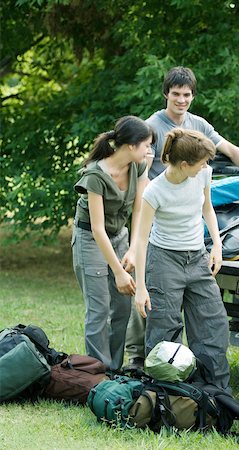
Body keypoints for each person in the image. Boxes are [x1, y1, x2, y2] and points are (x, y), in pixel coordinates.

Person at [126, 66, 239, 368]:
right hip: (157, 219)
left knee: (201, 308)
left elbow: (229, 150)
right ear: (166, 94)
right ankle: (139, 359)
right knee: (155, 304)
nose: (181, 99)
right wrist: (134, 245)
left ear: (192, 96)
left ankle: (201, 372)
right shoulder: (153, 127)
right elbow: (142, 185)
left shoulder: (198, 127)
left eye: (186, 94)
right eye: (176, 94)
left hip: (189, 227)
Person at [135, 128, 230, 390]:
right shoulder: (154, 191)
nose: (205, 167)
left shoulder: (203, 176)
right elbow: (141, 241)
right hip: (164, 260)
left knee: (213, 324)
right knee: (165, 330)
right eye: (201, 163)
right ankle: (165, 395)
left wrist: (217, 245)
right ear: (185, 164)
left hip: (197, 257)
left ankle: (215, 394)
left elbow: (206, 208)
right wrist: (141, 287)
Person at [72, 115, 155, 370]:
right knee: (99, 310)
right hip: (90, 239)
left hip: (120, 236)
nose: (150, 151)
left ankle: (114, 370)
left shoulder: (138, 167)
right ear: (131, 146)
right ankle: (97, 374)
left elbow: (140, 210)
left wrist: (132, 248)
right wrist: (118, 272)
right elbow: (97, 229)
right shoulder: (95, 175)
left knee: (122, 309)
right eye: (147, 145)